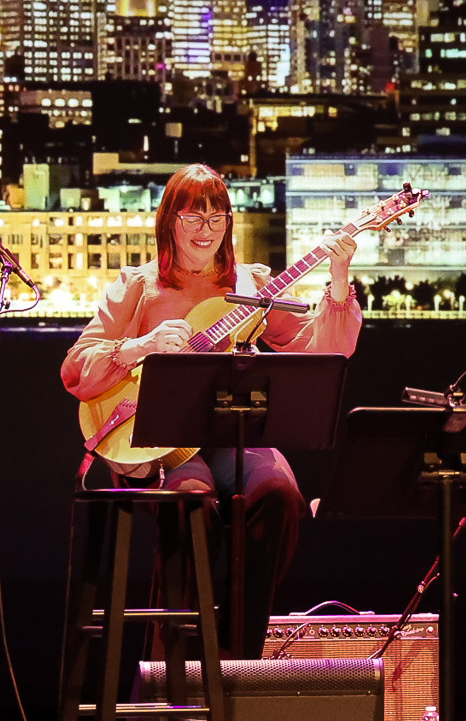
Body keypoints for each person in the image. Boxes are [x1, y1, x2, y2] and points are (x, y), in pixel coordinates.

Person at [61, 163, 363, 656]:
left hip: (230, 430)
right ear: (169, 222)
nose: (206, 230)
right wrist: (140, 346)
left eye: (216, 217)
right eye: (192, 218)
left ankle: (237, 657)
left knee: (280, 494)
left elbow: (319, 351)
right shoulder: (139, 286)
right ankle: (171, 672)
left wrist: (337, 279)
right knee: (192, 505)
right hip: (157, 441)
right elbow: (76, 369)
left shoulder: (250, 284)